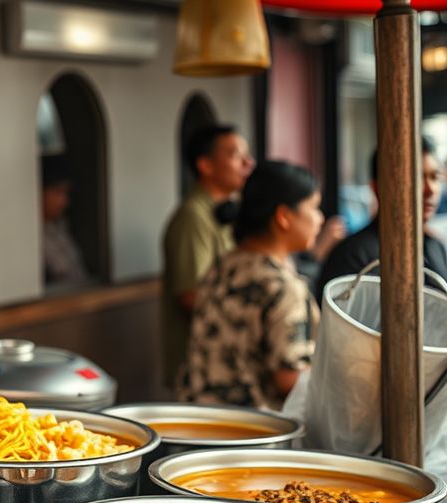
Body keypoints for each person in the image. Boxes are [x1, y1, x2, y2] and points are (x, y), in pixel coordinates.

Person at [177, 161, 324, 410]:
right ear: (284, 217)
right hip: (253, 433)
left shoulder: (224, 264)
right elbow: (289, 379)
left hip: (198, 419)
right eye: (314, 208)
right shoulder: (283, 286)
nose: (320, 219)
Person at [161, 125, 255, 386]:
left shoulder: (225, 214)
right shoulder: (194, 216)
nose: (248, 162)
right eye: (236, 154)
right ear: (205, 165)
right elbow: (191, 295)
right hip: (202, 367)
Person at [314, 138, 447, 301]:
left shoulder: (435, 247)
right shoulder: (354, 255)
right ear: (378, 188)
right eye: (416, 178)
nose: (430, 189)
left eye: (435, 177)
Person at [39, 154, 87, 285]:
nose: (64, 201)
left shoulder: (59, 227)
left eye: (65, 193)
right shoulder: (27, 239)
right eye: (57, 192)